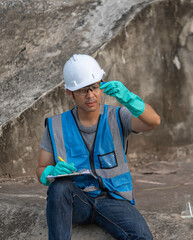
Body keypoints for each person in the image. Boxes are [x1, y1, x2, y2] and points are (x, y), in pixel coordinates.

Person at [36, 54, 160, 240]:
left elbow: (153, 122)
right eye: (83, 90)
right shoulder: (56, 126)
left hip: (114, 199)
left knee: (142, 236)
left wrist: (129, 99)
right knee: (59, 188)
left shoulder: (118, 116)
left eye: (94, 88)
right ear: (70, 93)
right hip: (78, 200)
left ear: (101, 85)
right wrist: (49, 172)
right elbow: (40, 168)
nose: (90, 96)